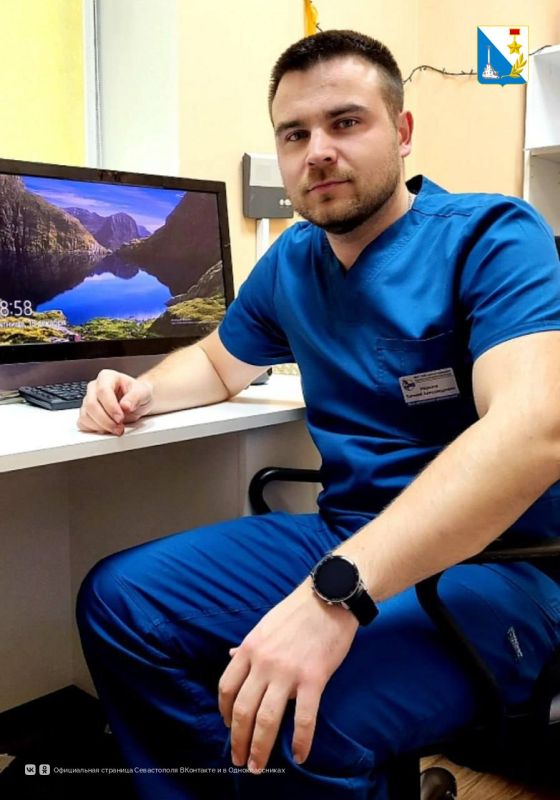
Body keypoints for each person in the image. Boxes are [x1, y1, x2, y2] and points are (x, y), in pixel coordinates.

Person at [76, 29, 560, 800]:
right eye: (294, 134)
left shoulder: (493, 237)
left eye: (346, 122)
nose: (318, 152)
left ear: (402, 131)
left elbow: (533, 431)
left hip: (495, 565)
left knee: (305, 717)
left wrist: (333, 593)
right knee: (122, 602)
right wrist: (139, 392)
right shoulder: (293, 261)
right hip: (344, 532)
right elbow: (218, 362)